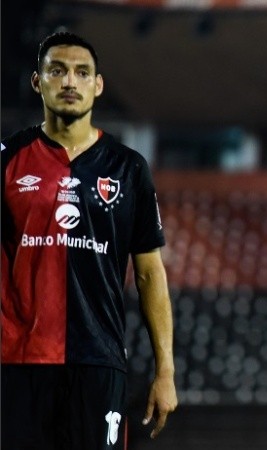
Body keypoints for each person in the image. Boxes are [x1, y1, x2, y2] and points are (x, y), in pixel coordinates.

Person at [1, 31, 177, 449]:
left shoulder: (129, 168)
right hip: (17, 363)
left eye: (82, 73)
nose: (69, 82)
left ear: (97, 86)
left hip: (99, 362)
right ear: (37, 81)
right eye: (57, 71)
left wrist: (165, 372)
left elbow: (150, 273)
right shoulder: (7, 159)